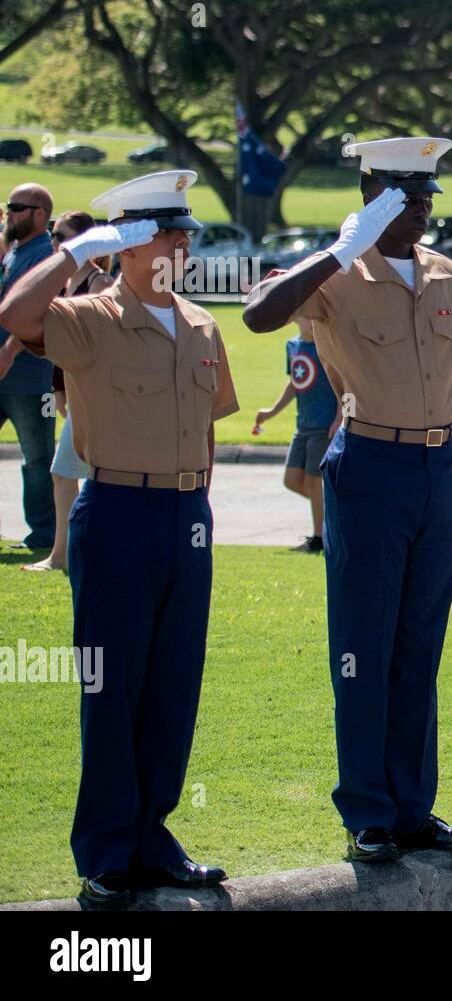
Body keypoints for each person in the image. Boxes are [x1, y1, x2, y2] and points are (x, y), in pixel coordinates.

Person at [0, 171, 238, 905]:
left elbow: (207, 427)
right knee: (111, 687)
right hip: (116, 515)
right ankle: (106, 851)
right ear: (131, 242)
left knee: (173, 686)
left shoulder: (201, 324)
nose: (182, 244)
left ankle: (153, 840)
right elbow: (14, 312)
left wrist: (197, 506)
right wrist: (80, 250)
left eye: (184, 232)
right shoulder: (89, 316)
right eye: (167, 232)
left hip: (184, 517)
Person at [243, 137, 452, 862]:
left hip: (435, 470)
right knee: (363, 646)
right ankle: (368, 814)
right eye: (404, 201)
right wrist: (341, 251)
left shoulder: (444, 273)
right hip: (370, 462)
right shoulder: (337, 273)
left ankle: (413, 808)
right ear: (373, 199)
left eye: (424, 200)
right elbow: (258, 314)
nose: (420, 214)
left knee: (419, 647)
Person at [22, 212, 114, 573]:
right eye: (52, 235)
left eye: (61, 235)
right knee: (70, 474)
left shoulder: (99, 281)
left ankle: (66, 555)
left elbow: (102, 344)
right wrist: (60, 391)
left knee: (73, 474)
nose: (55, 242)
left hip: (93, 396)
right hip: (73, 394)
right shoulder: (63, 283)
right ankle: (65, 554)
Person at [253, 316, 342, 553]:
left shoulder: (326, 345)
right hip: (302, 426)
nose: (309, 322)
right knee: (292, 480)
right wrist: (271, 412)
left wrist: (339, 419)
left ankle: (318, 539)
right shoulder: (292, 346)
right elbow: (295, 382)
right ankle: (335, 516)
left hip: (323, 426)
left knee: (315, 482)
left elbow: (341, 383)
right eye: (304, 317)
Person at [0, 183, 56, 550]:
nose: (9, 213)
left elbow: (42, 310)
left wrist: (8, 351)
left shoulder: (45, 255)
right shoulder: (15, 252)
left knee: (37, 460)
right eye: (8, 206)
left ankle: (44, 535)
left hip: (30, 378)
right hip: (4, 376)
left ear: (39, 214)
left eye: (17, 207)